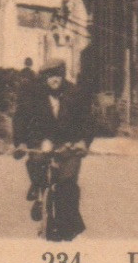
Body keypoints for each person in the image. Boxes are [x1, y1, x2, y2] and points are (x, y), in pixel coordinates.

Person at [12, 62, 94, 240]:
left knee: (68, 183)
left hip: (68, 145)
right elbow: (21, 118)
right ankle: (39, 194)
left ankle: (69, 226)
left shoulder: (75, 94)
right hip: (41, 142)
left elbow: (87, 120)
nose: (54, 80)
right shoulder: (33, 94)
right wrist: (20, 142)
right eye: (50, 76)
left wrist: (83, 142)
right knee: (36, 163)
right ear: (44, 78)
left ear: (63, 76)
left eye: (58, 75)